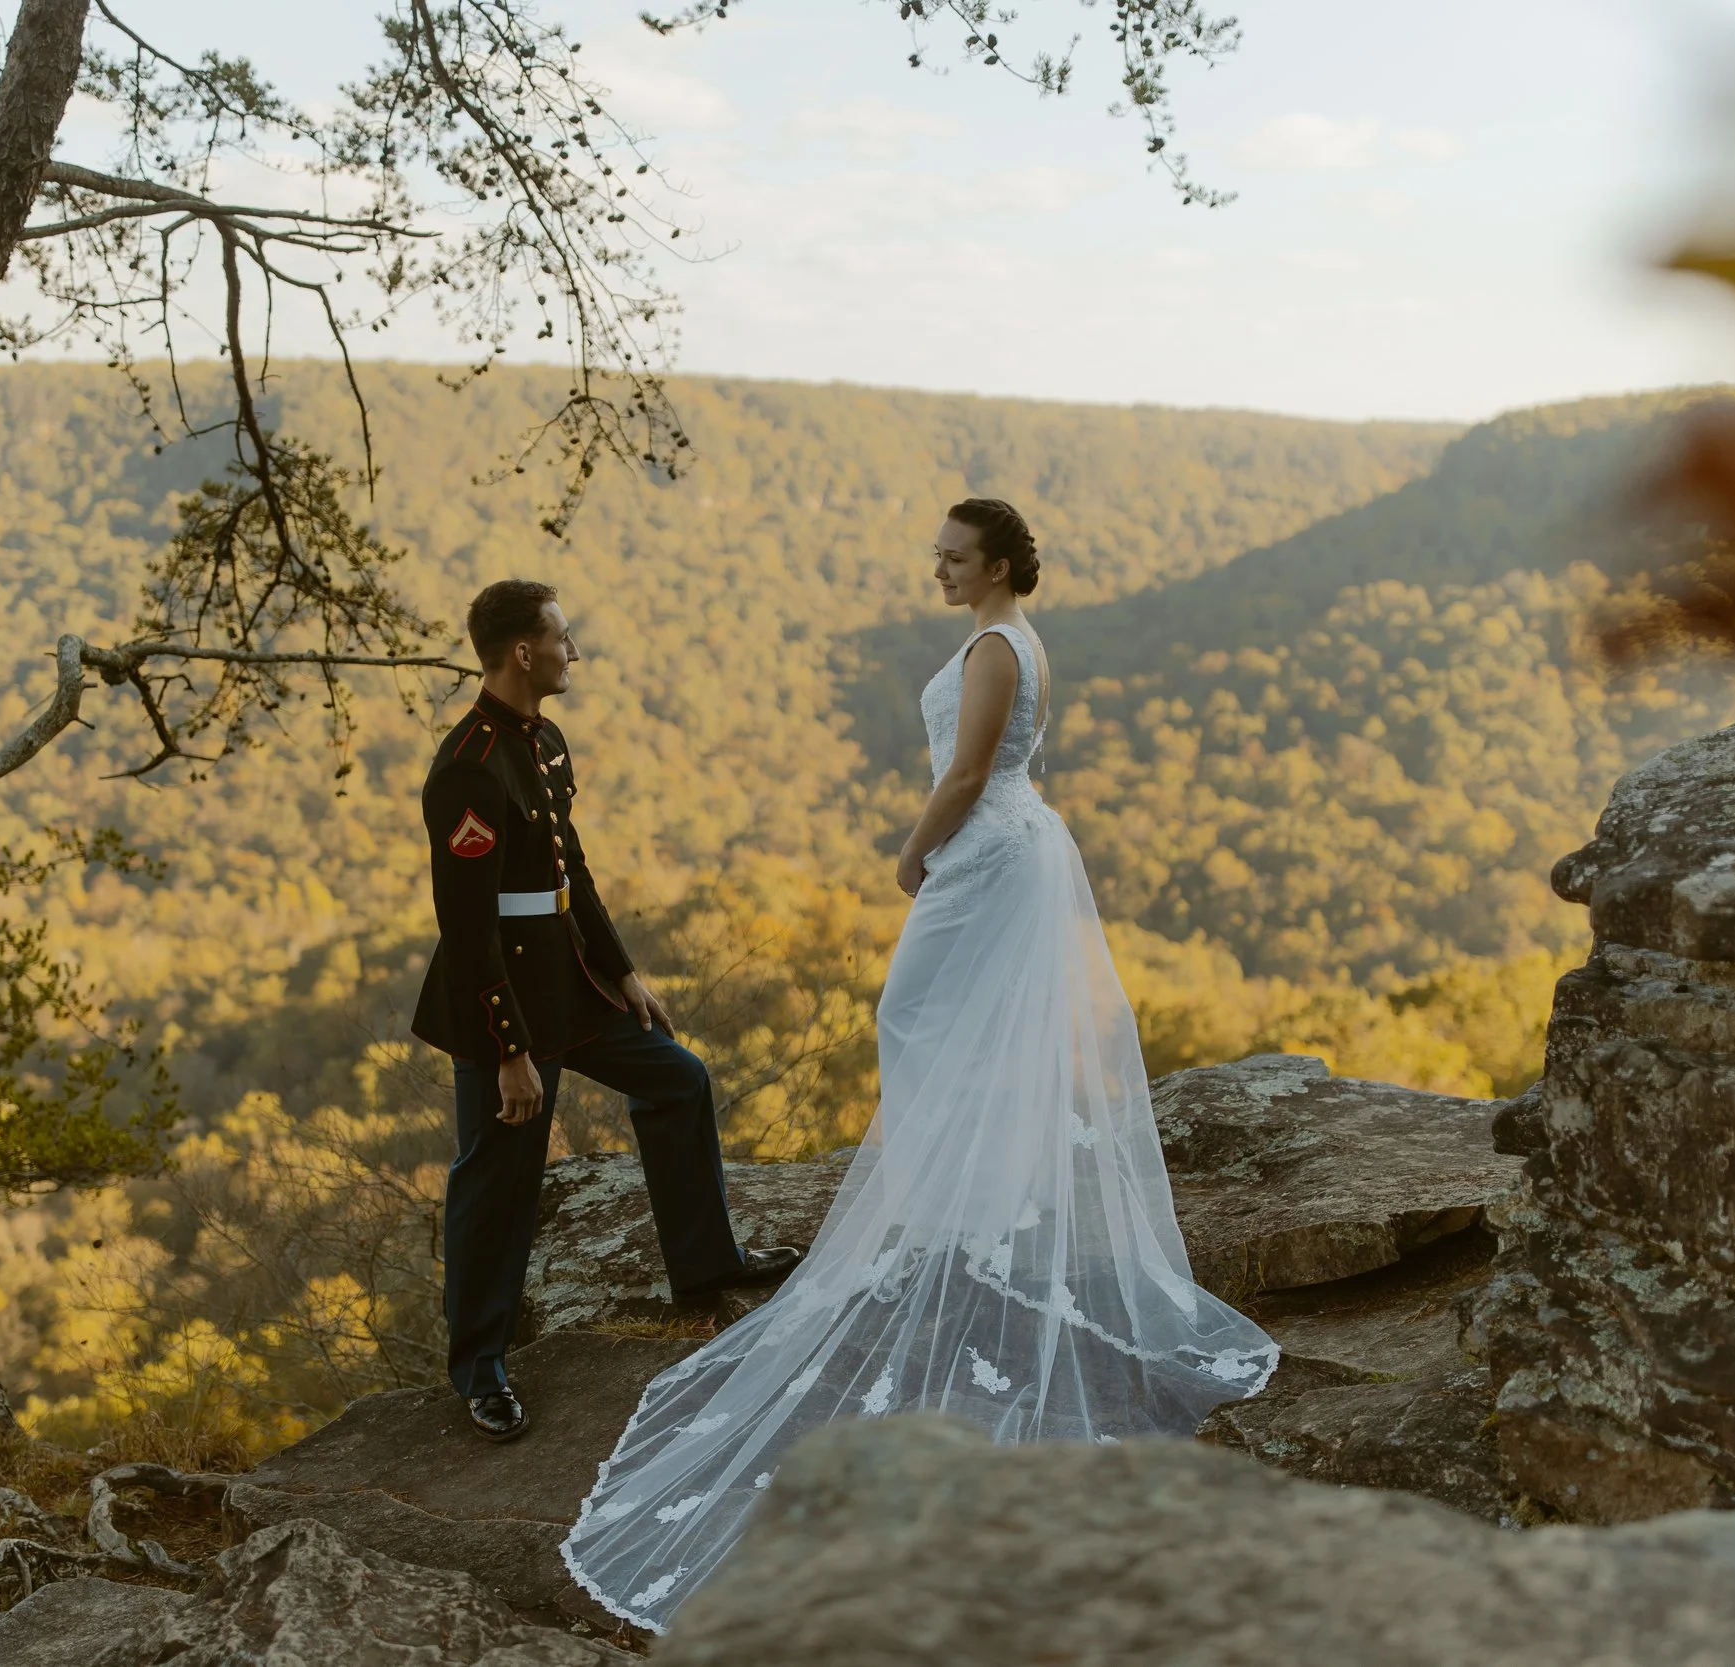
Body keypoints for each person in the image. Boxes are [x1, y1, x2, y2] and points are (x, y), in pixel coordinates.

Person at [560, 501, 1279, 1629]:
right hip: (1001, 846)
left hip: (983, 847)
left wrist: (912, 849)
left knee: (918, 1011)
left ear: (996, 563)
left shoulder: (998, 645)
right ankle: (968, 1194)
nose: (935, 567)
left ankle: (958, 1200)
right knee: (953, 1022)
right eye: (936, 553)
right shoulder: (999, 637)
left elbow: (969, 770)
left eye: (952, 555)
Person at [413, 579, 804, 1443]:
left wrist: (623, 972)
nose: (573, 650)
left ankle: (705, 1267)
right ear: (524, 651)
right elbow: (468, 927)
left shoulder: (544, 741)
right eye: (562, 636)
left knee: (677, 1077)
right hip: (500, 1001)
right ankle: (478, 1369)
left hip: (570, 980)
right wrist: (511, 1050)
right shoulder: (469, 766)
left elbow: (571, 872)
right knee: (498, 1177)